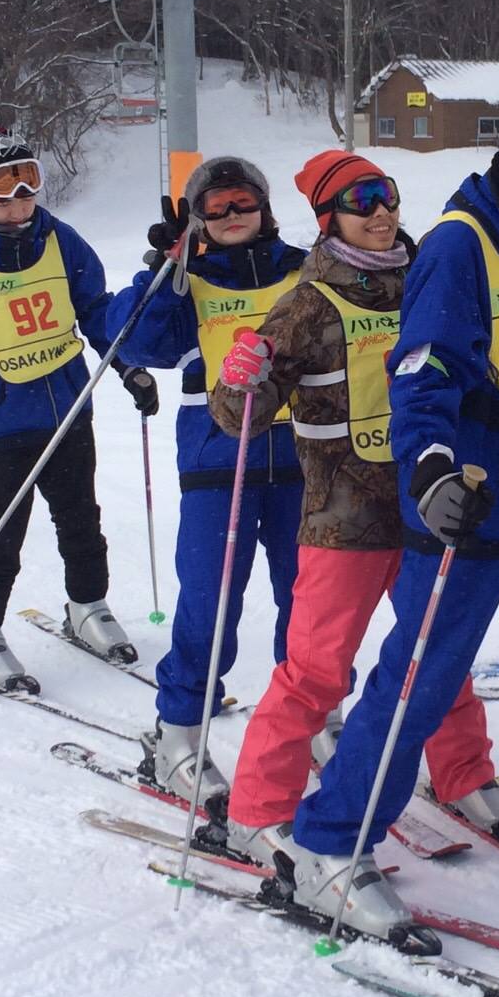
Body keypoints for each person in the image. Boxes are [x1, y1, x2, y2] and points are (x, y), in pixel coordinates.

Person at [214, 111, 499, 944]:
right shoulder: (457, 247)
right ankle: (330, 842)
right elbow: (424, 371)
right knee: (416, 675)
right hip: (472, 502)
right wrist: (432, 468)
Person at [209, 149, 499, 886]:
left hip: (422, 503)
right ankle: (257, 807)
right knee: (317, 671)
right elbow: (238, 420)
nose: (382, 213)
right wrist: (239, 377)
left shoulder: (428, 278)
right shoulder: (305, 306)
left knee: (434, 652)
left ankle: (462, 771)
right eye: (360, 202)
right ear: (329, 219)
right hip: (343, 520)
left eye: (385, 195)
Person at [106, 157, 305, 803]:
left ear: (264, 207)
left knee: (309, 605)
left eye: (241, 202)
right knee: (210, 607)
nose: (230, 216)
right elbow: (133, 344)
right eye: (214, 208)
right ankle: (179, 734)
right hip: (219, 465)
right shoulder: (183, 283)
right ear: (196, 218)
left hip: (307, 462)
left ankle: (313, 716)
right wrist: (165, 273)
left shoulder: (305, 270)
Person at [0, 127, 158, 696]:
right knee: (5, 530)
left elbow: (97, 311)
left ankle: (87, 605)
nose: (20, 199)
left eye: (29, 182)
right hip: (4, 415)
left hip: (69, 404)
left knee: (81, 515)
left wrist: (128, 367)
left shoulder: (59, 239)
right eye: (4, 187)